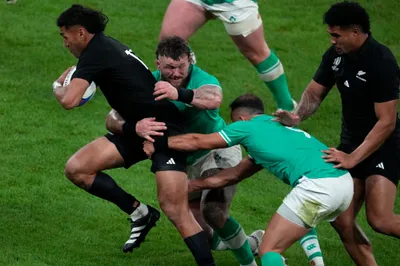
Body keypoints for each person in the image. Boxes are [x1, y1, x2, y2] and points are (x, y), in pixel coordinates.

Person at [53, 5, 215, 266]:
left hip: (164, 129)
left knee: (175, 209)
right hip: (139, 127)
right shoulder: (102, 48)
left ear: (81, 33)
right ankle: (140, 213)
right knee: (78, 169)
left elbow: (70, 100)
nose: (65, 43)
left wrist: (57, 87)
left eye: (65, 36)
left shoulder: (97, 52)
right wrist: (134, 129)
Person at [143, 93, 354, 266]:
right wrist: (193, 185)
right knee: (299, 215)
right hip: (343, 185)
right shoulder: (278, 130)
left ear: (241, 119)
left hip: (318, 186)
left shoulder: (246, 127)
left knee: (269, 249)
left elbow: (198, 140)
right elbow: (233, 175)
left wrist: (159, 143)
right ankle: (317, 261)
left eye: (233, 122)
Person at [106, 36, 262, 266]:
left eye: (181, 67)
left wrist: (178, 94)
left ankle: (248, 263)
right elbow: (112, 118)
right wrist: (134, 128)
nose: (176, 73)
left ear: (190, 61)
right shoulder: (147, 82)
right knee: (202, 233)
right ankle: (252, 244)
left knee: (214, 212)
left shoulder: (202, 78)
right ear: (158, 64)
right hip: (183, 162)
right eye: (169, 67)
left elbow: (213, 99)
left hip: (216, 151)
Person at [273, 1, 400, 265]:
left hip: (383, 145)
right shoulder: (336, 56)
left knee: (380, 220)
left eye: (336, 35)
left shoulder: (382, 61)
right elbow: (314, 93)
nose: (332, 41)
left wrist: (354, 158)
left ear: (355, 31)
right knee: (341, 220)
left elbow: (386, 121)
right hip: (350, 144)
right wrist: (296, 116)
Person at [159, 0, 296, 111]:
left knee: (255, 53)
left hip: (233, 3)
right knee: (169, 41)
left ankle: (287, 106)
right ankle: (182, 100)